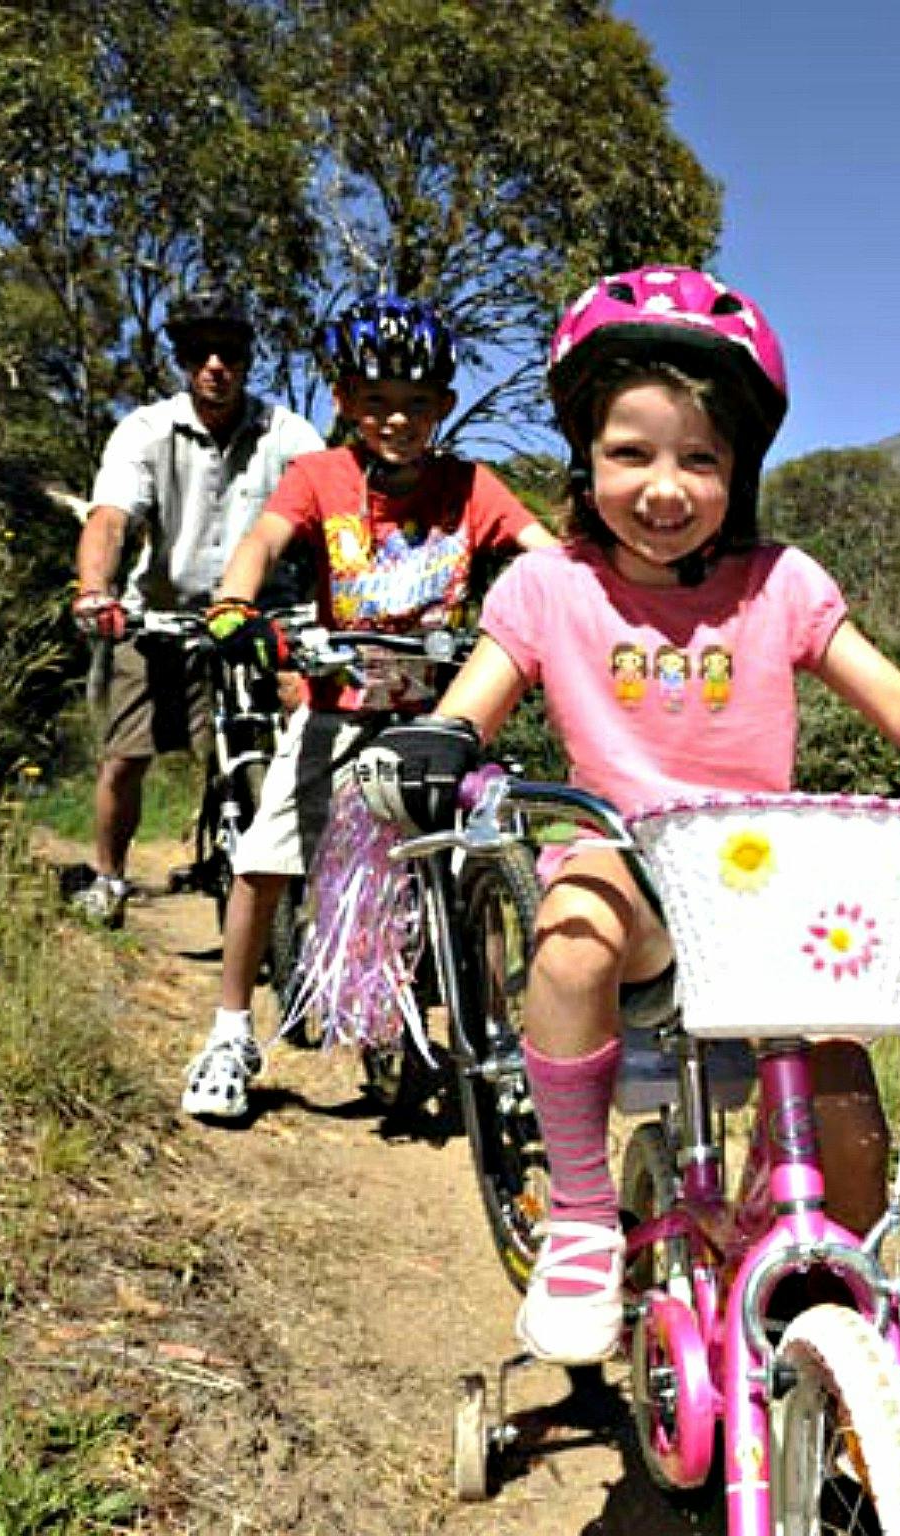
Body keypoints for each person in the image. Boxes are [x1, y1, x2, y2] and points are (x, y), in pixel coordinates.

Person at [351, 267, 900, 1364]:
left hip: (761, 881)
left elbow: (894, 697)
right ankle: (585, 1217)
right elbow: (477, 697)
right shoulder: (551, 589)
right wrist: (444, 738)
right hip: (629, 856)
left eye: (700, 458)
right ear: (584, 460)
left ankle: (837, 1273)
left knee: (843, 1065)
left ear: (741, 471)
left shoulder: (780, 584)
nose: (665, 486)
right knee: (573, 926)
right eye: (630, 453)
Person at [178, 293, 561, 1119]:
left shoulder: (473, 486)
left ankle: (492, 1037)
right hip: (337, 709)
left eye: (416, 404)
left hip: (443, 717)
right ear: (345, 401)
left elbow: (545, 557)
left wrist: (584, 596)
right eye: (376, 401)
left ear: (445, 408)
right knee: (269, 857)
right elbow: (263, 544)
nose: (396, 419)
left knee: (480, 857)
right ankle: (230, 1028)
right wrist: (235, 604)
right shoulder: (320, 476)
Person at [70, 279, 325, 927]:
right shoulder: (147, 431)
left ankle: (322, 883)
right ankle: (109, 878)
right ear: (182, 359)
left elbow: (335, 511)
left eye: (230, 351)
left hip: (268, 616)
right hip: (163, 613)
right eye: (199, 351)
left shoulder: (289, 433)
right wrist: (94, 590)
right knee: (127, 754)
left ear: (248, 357)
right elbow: (109, 519)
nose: (216, 365)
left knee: (315, 727)